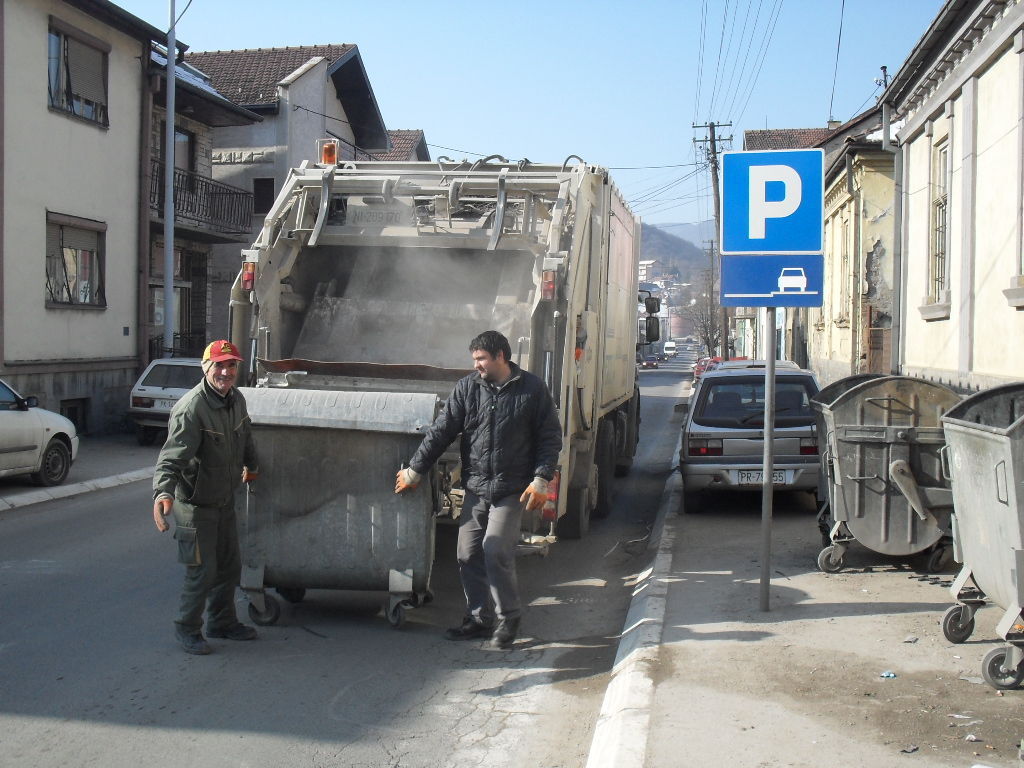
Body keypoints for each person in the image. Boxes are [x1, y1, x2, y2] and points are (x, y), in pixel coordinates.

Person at [395, 330, 561, 649]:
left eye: (482, 359)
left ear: (501, 356)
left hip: (512, 488)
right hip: (477, 487)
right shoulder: (468, 388)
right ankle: (479, 619)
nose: (477, 365)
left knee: (495, 549)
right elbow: (442, 431)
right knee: (467, 552)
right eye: (474, 360)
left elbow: (550, 438)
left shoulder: (532, 389)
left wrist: (542, 478)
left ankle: (508, 618)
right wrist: (416, 469)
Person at [152, 339, 260, 655]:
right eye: (219, 366)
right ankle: (187, 628)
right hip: (195, 507)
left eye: (231, 365)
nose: (226, 372)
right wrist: (162, 493)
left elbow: (246, 436)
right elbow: (171, 457)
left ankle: (222, 622)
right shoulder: (192, 409)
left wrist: (252, 465)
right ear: (206, 368)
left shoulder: (236, 400)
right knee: (201, 570)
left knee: (229, 567)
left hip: (224, 500)